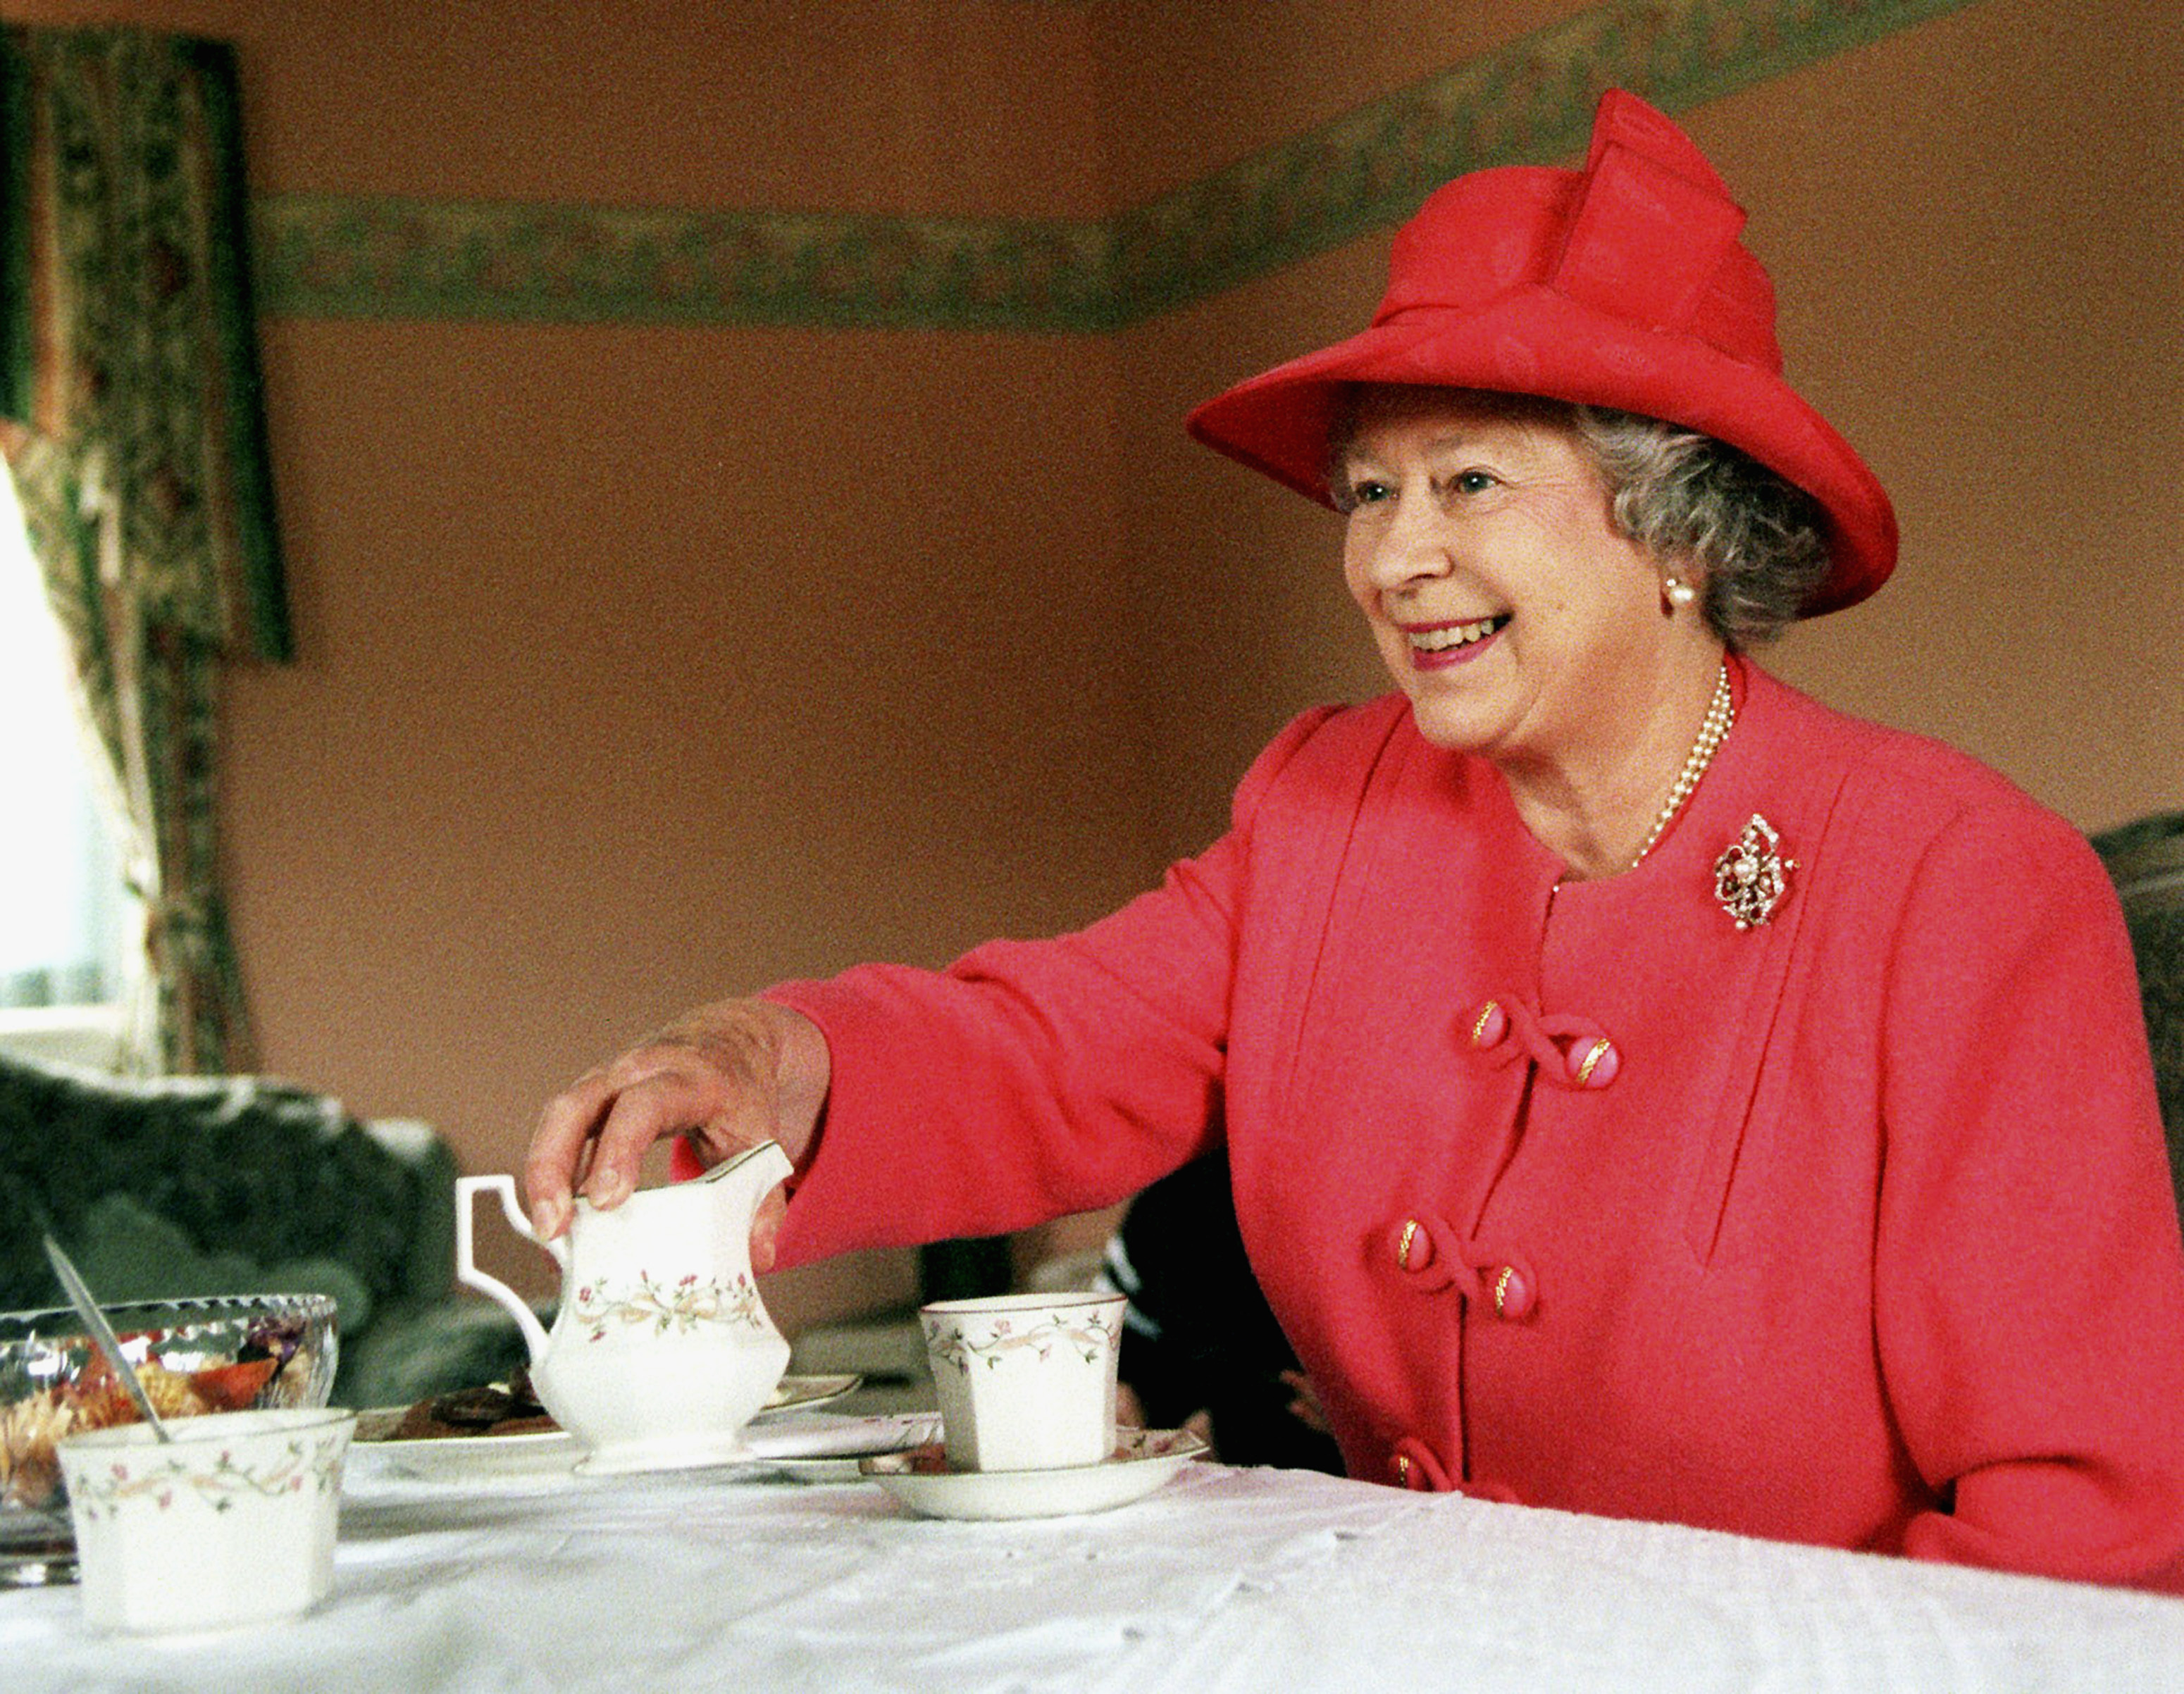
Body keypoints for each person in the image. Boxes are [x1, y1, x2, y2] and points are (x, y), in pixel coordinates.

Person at [524, 90, 2184, 1587]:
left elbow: (2081, 1517)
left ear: (1674, 523)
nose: (1393, 561)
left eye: (1465, 481)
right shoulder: (1326, 799)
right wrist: (764, 1065)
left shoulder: (1957, 886)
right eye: (1365, 494)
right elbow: (1047, 1043)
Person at [1098, 1155, 1344, 1474]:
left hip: (1331, 1476)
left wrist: (1230, 1430)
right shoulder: (1165, 1204)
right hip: (1180, 1478)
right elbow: (1117, 1344)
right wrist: (1115, 1390)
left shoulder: (1340, 1197)